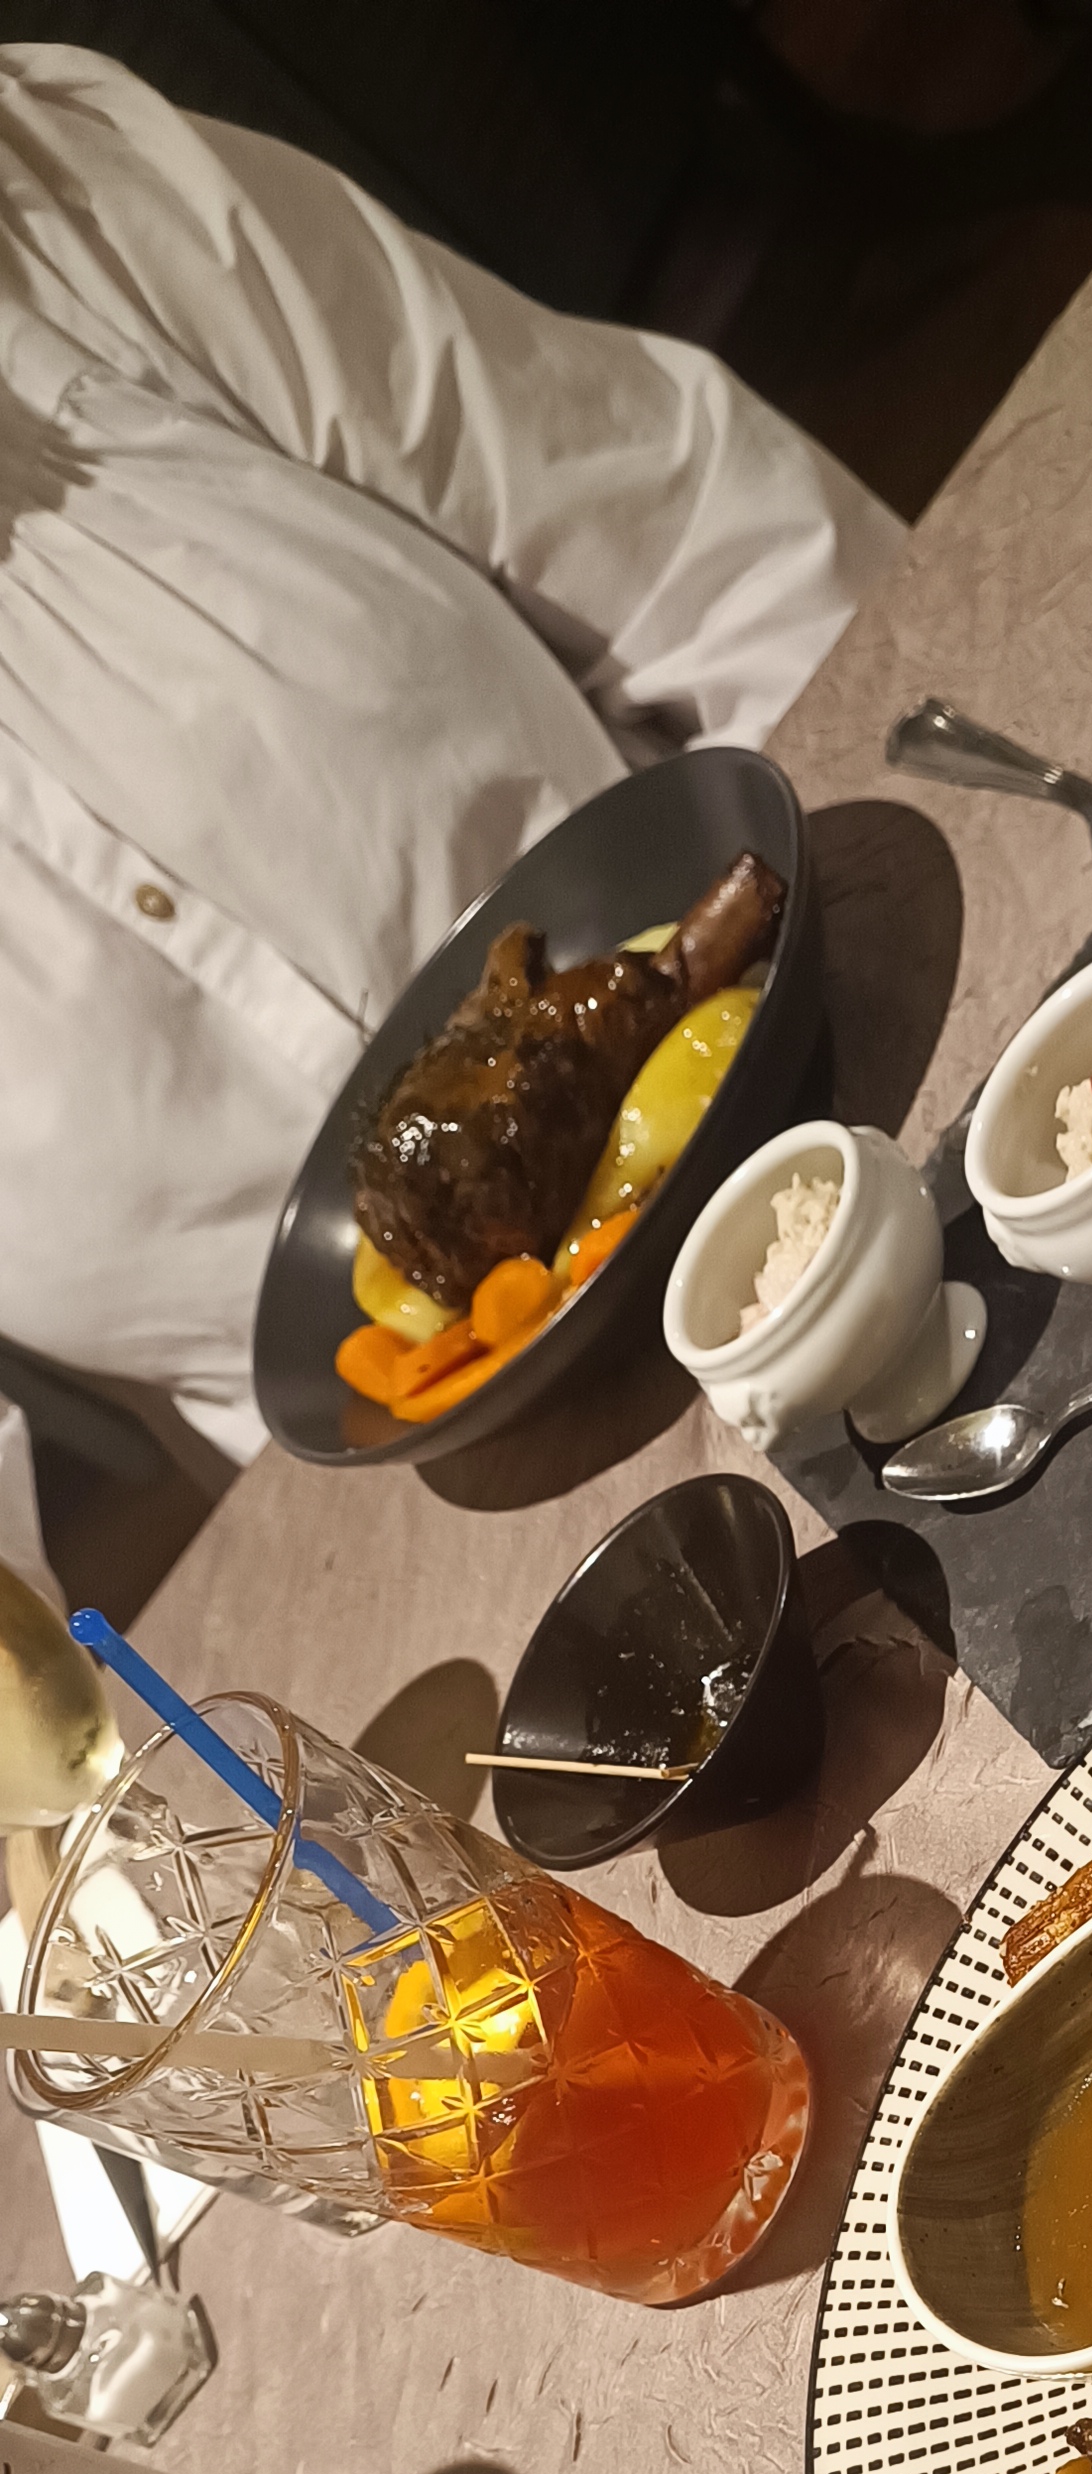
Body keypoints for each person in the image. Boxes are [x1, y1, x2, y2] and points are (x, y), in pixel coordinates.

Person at [0, 40, 902, 1488]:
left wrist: (927, 937)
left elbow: (718, 553)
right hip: (477, 1490)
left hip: (839, 1046)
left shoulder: (60, 203)